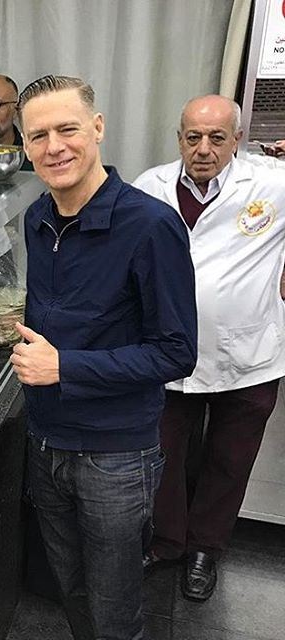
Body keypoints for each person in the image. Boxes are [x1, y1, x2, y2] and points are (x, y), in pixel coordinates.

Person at [10, 75, 197, 640]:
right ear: (24, 146)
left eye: (67, 129)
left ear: (97, 128)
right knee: (71, 590)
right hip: (47, 442)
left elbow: (177, 353)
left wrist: (64, 366)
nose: (54, 147)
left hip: (115, 455)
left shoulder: (151, 225)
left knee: (116, 609)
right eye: (38, 136)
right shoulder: (37, 218)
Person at [133, 94, 285, 602]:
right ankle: (167, 541)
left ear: (236, 140)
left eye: (217, 137)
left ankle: (205, 549)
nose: (203, 148)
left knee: (229, 459)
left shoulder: (271, 182)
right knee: (162, 454)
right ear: (179, 138)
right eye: (193, 137)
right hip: (168, 354)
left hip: (249, 356)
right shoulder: (149, 186)